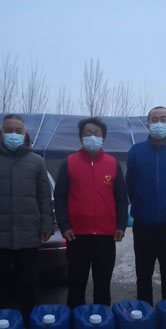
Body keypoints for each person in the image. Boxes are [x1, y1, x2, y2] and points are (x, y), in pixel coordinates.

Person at [0, 114, 54, 318]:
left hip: (28, 235)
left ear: (25, 135)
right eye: (9, 130)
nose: (13, 134)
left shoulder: (37, 162)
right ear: (1, 134)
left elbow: (44, 198)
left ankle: (27, 323)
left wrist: (47, 225)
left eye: (18, 130)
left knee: (29, 284)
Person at [54, 117, 127, 308]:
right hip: (76, 235)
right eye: (87, 133)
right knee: (76, 284)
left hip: (105, 236)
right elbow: (60, 196)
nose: (92, 136)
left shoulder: (112, 164)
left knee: (103, 285)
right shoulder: (69, 163)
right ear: (81, 138)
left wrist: (121, 224)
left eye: (96, 133)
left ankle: (101, 321)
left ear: (103, 138)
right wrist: (64, 225)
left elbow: (121, 197)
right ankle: (75, 321)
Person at [126, 106, 166, 306]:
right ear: (148, 125)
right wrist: (143, 207)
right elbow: (130, 185)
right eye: (154, 119)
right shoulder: (136, 152)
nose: (159, 123)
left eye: (163, 119)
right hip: (143, 226)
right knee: (143, 276)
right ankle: (144, 317)